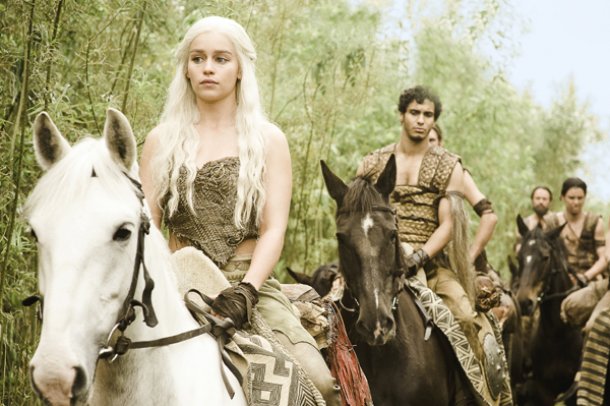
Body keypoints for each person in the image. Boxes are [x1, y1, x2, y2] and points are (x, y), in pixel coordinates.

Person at [139, 16, 340, 405]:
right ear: (186, 69)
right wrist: (161, 283)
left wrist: (246, 291)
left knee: (320, 382)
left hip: (250, 285)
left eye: (220, 59)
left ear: (240, 69)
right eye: (198, 58)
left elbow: (273, 229)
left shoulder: (268, 140)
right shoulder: (160, 141)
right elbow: (149, 226)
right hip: (177, 284)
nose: (208, 68)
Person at [357, 85, 499, 367]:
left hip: (431, 264)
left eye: (428, 114)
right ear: (401, 115)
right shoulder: (372, 163)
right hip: (377, 263)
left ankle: (469, 389)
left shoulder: (448, 165)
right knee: (331, 312)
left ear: (434, 120)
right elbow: (356, 218)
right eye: (414, 112)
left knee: (464, 317)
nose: (421, 120)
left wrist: (418, 257)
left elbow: (449, 224)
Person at [428, 124, 497, 264]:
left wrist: (470, 255)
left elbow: (489, 216)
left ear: (441, 143)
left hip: (449, 256)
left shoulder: (456, 174)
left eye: (432, 140)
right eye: (424, 140)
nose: (427, 145)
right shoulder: (404, 170)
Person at [546, 177, 607, 283]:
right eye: (571, 198)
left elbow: (604, 258)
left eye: (580, 198)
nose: (576, 202)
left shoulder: (595, 222)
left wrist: (585, 277)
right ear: (562, 197)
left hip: (590, 279)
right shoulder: (552, 222)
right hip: (559, 280)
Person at [514, 185, 554, 253]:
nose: (541, 202)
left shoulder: (556, 221)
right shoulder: (526, 223)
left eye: (544, 199)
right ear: (532, 201)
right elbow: (519, 246)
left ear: (550, 202)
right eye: (538, 198)